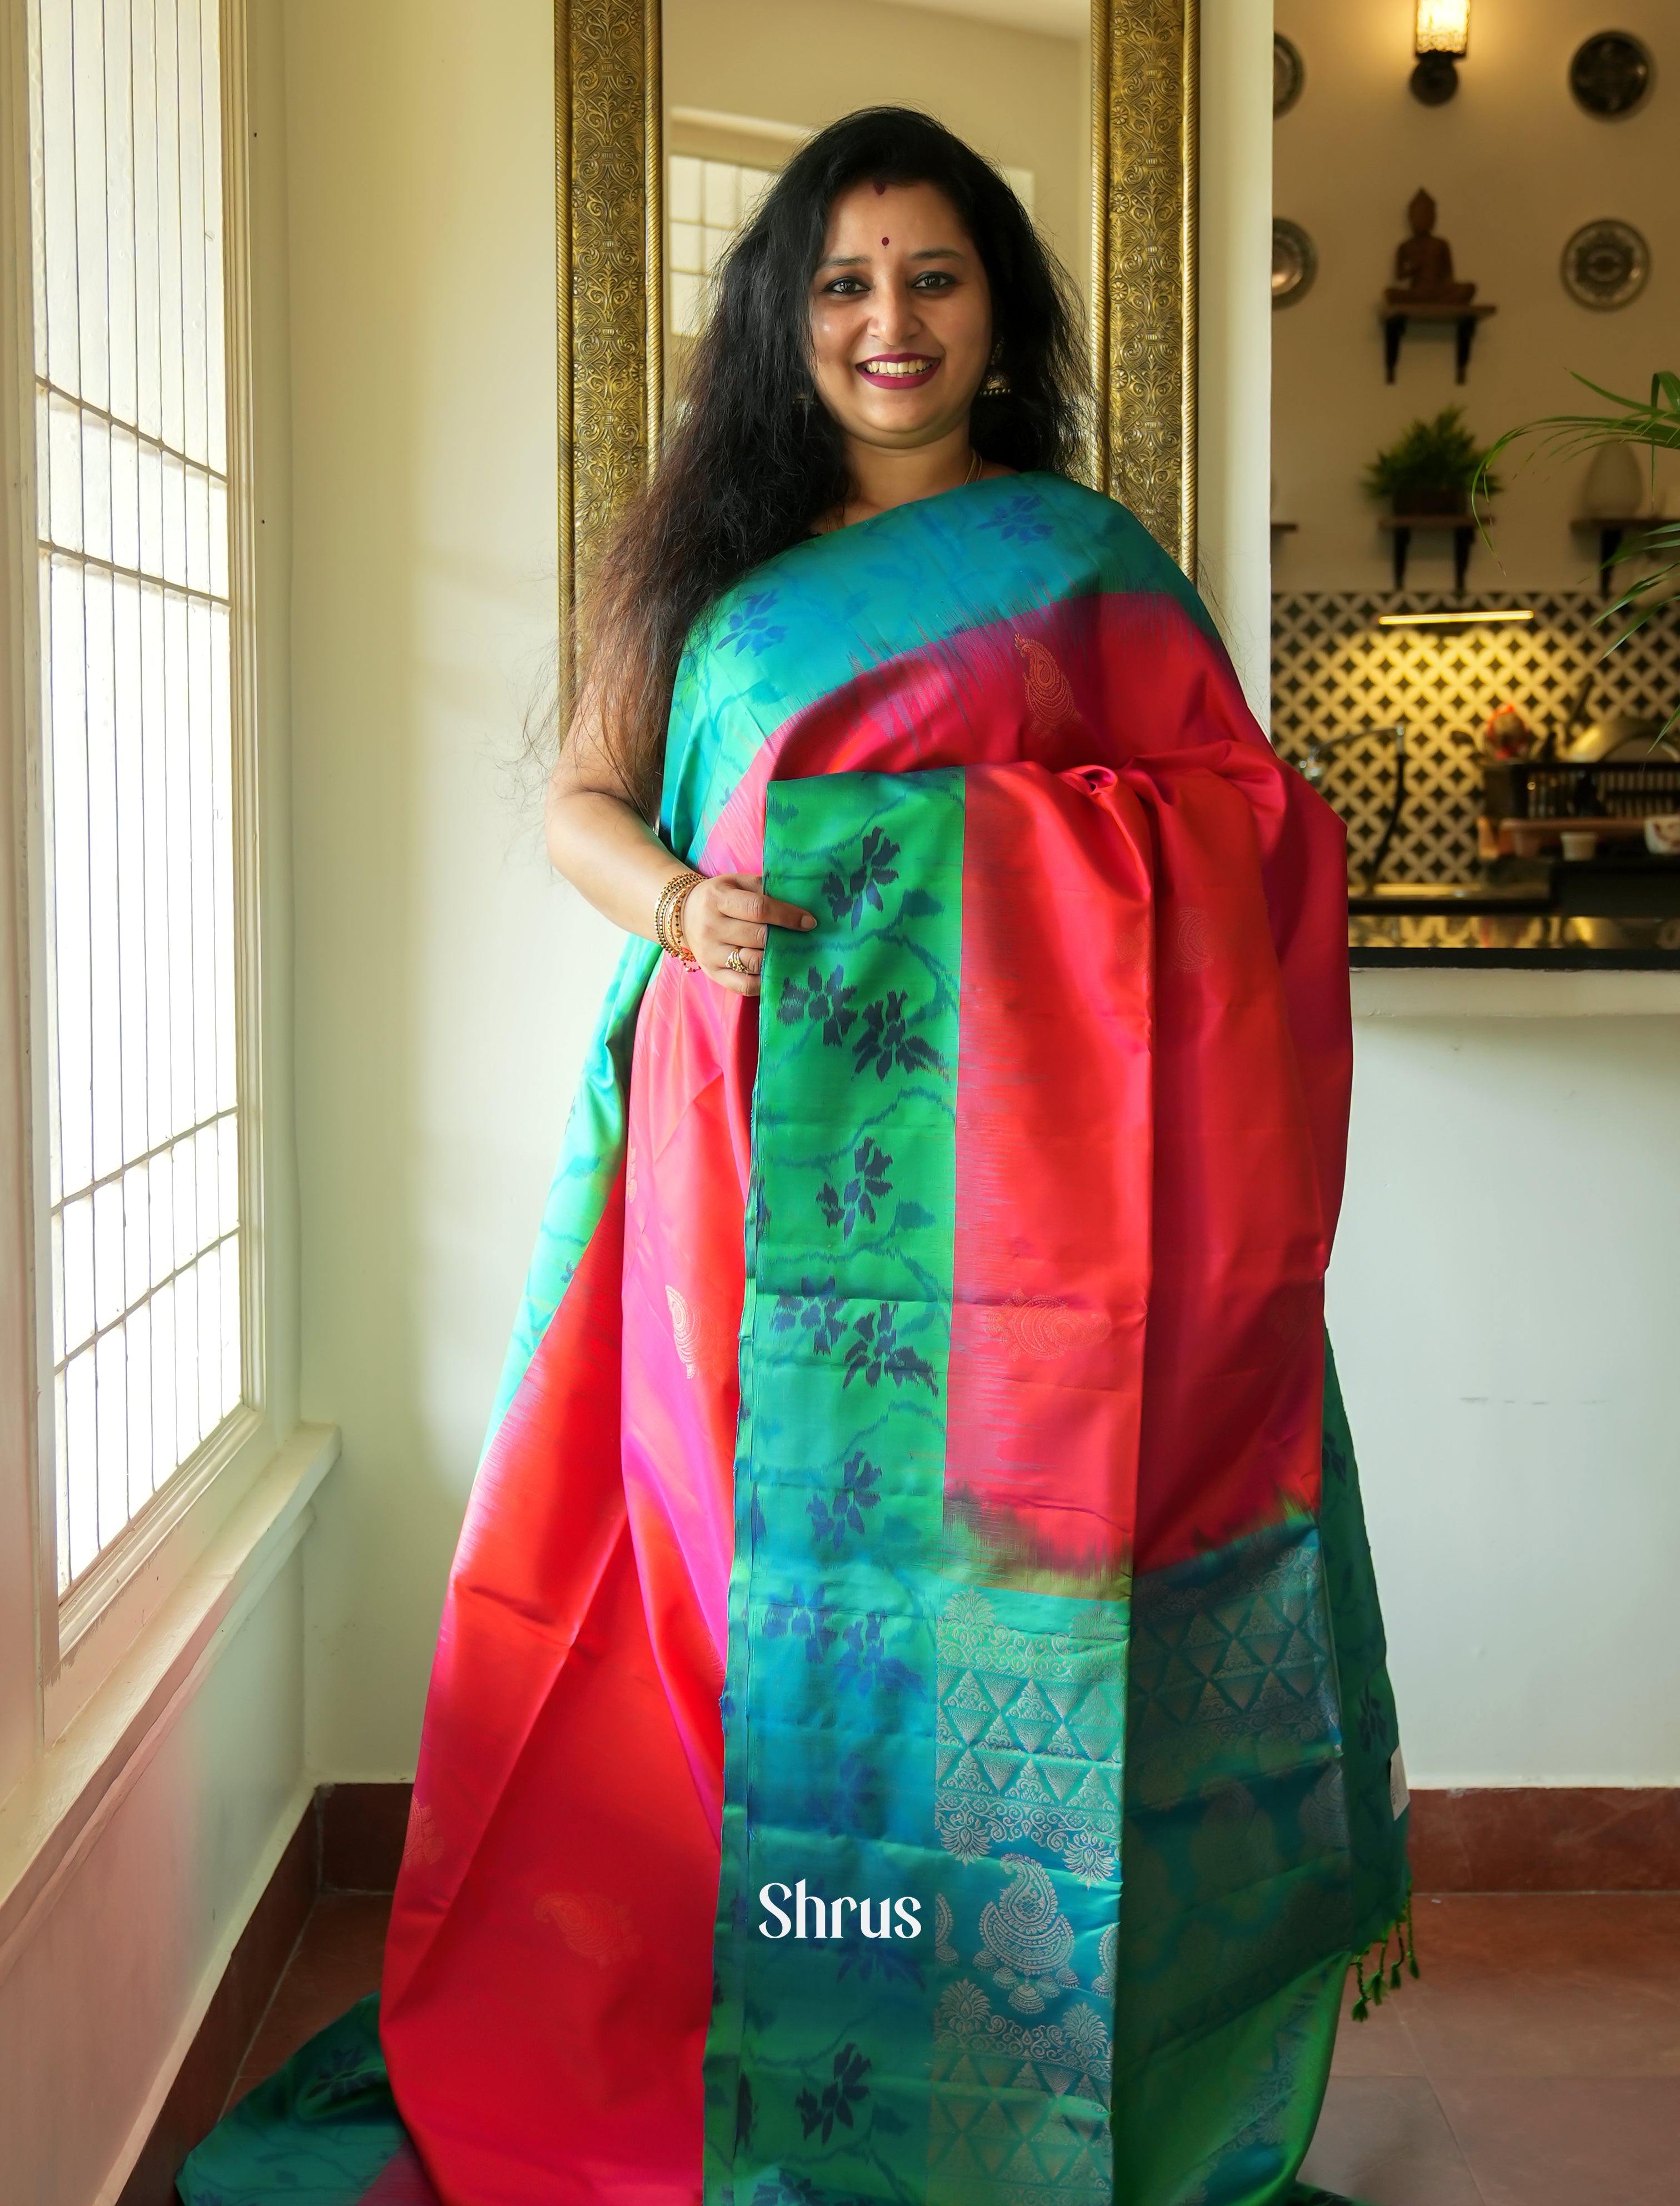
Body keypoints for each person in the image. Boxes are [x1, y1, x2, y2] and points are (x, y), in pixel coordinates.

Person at [179, 107, 1408, 2206]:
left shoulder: (1084, 569)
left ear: (999, 313)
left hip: (1043, 1238)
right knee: (736, 1613)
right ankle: (794, 2049)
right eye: (842, 284)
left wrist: (962, 863)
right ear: (787, 319)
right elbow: (583, 804)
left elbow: (1252, 840)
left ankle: (1028, 2079)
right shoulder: (707, 562)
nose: (889, 322)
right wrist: (683, 907)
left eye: (932, 277)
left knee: (1027, 1612)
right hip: (738, 1184)